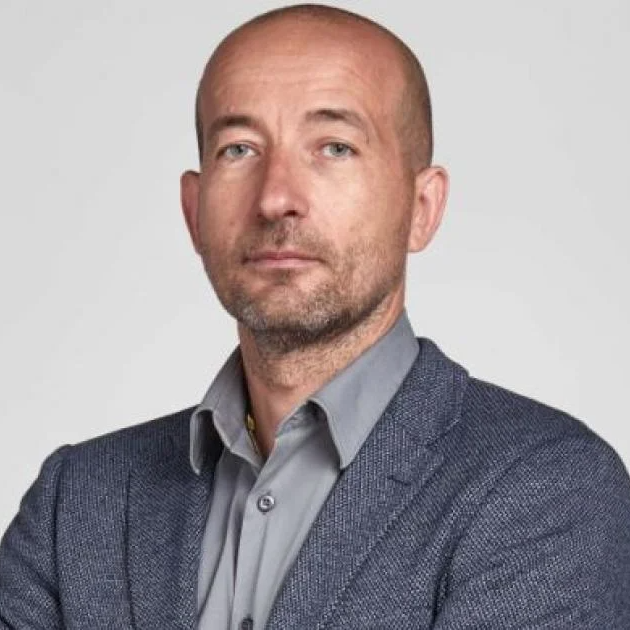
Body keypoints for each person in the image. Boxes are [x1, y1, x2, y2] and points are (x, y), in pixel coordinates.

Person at [1, 3, 629, 628]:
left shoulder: (547, 488)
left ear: (422, 207)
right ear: (193, 211)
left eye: (334, 147)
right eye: (239, 149)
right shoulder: (75, 501)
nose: (276, 198)